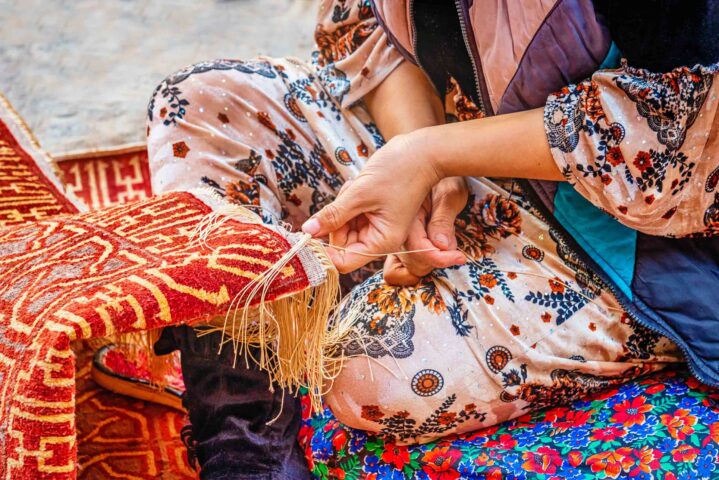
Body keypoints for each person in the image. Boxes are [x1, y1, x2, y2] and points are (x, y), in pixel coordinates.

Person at [146, 0, 719, 478]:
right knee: (202, 104)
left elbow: (686, 135)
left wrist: (433, 156)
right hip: (458, 154)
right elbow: (374, 29)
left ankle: (322, 301)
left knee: (365, 371)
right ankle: (245, 443)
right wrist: (423, 167)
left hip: (630, 243)